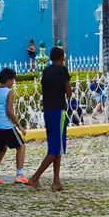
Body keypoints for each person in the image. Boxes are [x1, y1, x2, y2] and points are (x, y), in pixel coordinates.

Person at [29, 47, 72, 191]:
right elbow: (69, 92)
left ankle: (56, 181)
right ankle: (35, 178)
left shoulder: (46, 71)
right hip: (59, 111)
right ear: (62, 58)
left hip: (47, 111)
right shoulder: (63, 70)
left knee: (56, 147)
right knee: (55, 149)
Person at [0, 68, 28, 185]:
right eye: (13, 80)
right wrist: (19, 126)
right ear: (9, 80)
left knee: (1, 149)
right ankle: (19, 175)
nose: (13, 82)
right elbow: (9, 110)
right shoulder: (9, 92)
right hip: (4, 125)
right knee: (21, 147)